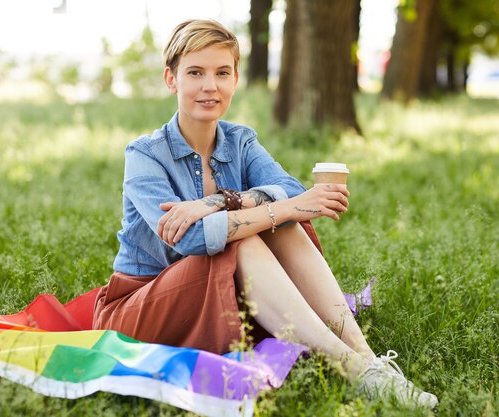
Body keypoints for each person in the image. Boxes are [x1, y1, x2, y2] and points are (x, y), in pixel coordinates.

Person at [92, 18, 437, 408]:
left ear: (236, 79)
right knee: (247, 236)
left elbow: (288, 190)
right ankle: (350, 368)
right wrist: (281, 207)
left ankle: (370, 361)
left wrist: (221, 200)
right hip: (142, 308)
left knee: (283, 226)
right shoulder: (145, 155)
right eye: (195, 73)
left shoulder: (240, 140)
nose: (210, 86)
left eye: (222, 72)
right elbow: (191, 239)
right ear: (171, 79)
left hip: (214, 292)